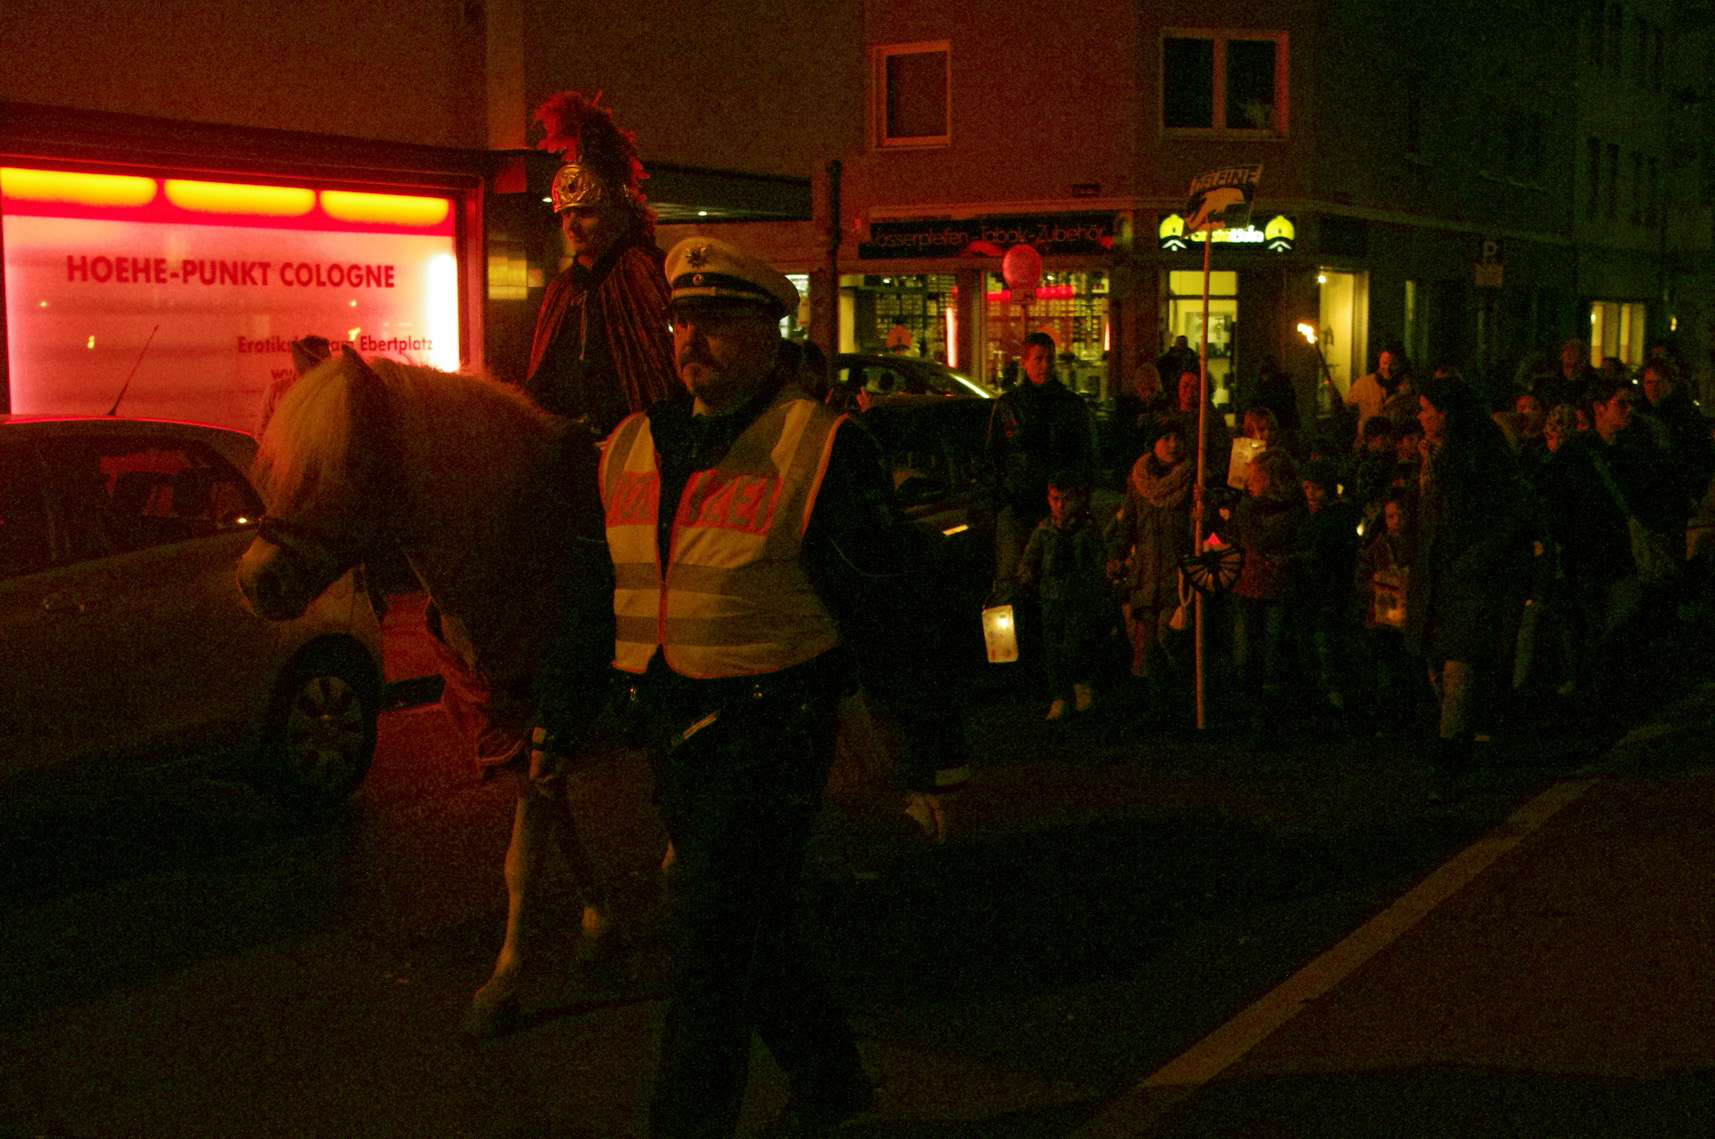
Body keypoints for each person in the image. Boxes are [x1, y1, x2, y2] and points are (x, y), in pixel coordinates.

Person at [532, 236, 965, 1139]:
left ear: (772, 332)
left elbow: (883, 604)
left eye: (720, 320)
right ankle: (833, 1078)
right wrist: (556, 719)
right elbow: (591, 592)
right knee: (750, 924)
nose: (693, 338)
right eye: (684, 319)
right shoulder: (628, 444)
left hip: (774, 724)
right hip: (670, 723)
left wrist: (919, 746)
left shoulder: (822, 445)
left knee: (708, 938)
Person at [522, 90, 676, 437]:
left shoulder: (643, 272)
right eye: (566, 214)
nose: (572, 225)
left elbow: (659, 376)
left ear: (618, 215)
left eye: (586, 213)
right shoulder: (562, 289)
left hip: (635, 444)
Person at [1407, 373, 1534, 790]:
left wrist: (1473, 561)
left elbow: (1508, 516)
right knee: (1437, 666)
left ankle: (1450, 755)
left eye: (1426, 408)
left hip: (1467, 577)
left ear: (1445, 413)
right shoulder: (1430, 454)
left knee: (1458, 664)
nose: (1420, 415)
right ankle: (1457, 741)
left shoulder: (1480, 453)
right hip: (1436, 574)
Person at [987, 330, 1098, 600]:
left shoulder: (1072, 405)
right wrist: (1003, 497)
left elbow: (1088, 455)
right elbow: (993, 457)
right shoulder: (1008, 405)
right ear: (1024, 362)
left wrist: (1079, 498)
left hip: (1062, 508)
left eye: (1049, 359)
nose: (1045, 366)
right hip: (1019, 505)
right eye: (1038, 359)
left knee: (1062, 586)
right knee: (1012, 584)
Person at [1106, 420, 1195, 716]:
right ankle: (1155, 709)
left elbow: (1205, 529)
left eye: (1177, 438)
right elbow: (1128, 521)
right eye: (1165, 438)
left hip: (1176, 574)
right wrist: (1117, 554)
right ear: (1153, 443)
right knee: (1146, 645)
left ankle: (1180, 700)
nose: (1172, 445)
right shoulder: (1139, 479)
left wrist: (1202, 514)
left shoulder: (1192, 480)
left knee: (1168, 637)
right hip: (1145, 573)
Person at [1017, 470, 1110, 719]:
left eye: (1066, 499)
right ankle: (1059, 696)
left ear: (1078, 499)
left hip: (1081, 597)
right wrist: (1026, 575)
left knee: (1077, 643)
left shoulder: (1087, 529)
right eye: (1055, 499)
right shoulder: (1044, 530)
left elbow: (1099, 559)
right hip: (1051, 596)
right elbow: (1030, 558)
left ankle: (1082, 687)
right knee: (1052, 648)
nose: (1061, 505)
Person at [1342, 342, 1417, 447]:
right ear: (1379, 362)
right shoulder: (1363, 384)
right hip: (1365, 447)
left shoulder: (1411, 390)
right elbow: (1345, 411)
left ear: (1401, 364)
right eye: (1384, 363)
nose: (1388, 369)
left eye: (1393, 364)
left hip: (1394, 448)